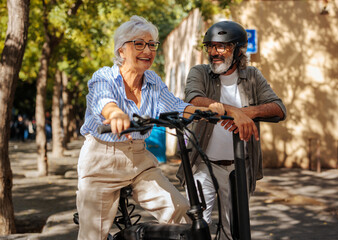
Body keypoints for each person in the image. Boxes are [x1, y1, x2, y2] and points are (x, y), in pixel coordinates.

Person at [76, 15, 222, 240]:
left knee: (183, 214)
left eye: (152, 45)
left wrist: (204, 111)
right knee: (92, 234)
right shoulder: (104, 76)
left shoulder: (153, 80)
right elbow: (103, 101)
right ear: (121, 50)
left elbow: (175, 106)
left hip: (139, 159)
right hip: (101, 161)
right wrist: (115, 114)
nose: (148, 50)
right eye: (139, 44)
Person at [176, 20, 287, 239]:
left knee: (233, 229)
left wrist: (248, 112)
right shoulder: (199, 72)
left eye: (221, 47)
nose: (213, 52)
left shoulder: (253, 76)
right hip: (203, 164)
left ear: (237, 50)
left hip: (239, 167)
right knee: (198, 227)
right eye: (210, 46)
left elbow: (279, 109)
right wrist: (235, 113)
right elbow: (195, 99)